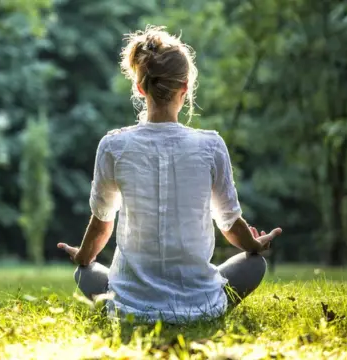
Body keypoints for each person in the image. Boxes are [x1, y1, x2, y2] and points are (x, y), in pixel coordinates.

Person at [57, 25, 282, 323]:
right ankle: (202, 309)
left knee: (84, 273)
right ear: (185, 88)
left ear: (140, 87)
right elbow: (229, 223)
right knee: (254, 265)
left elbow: (102, 223)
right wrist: (254, 245)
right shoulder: (210, 145)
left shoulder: (113, 145)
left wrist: (83, 257)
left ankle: (131, 302)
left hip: (129, 308)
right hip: (200, 305)